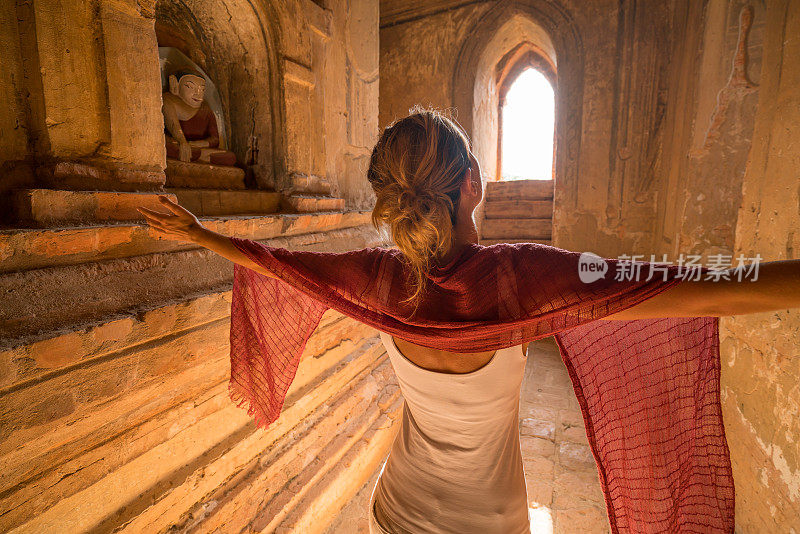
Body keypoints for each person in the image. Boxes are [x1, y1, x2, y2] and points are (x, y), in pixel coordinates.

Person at [139, 109, 799, 533]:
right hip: (492, 522)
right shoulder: (522, 279)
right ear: (474, 184)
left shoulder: (377, 279)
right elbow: (693, 284)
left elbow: (281, 265)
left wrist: (200, 235)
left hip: (394, 511)